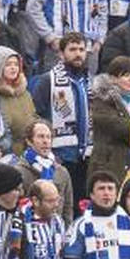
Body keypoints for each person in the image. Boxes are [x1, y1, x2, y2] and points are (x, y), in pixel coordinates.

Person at [31, 33, 94, 198]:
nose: (78, 53)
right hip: (60, 156)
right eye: (72, 49)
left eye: (81, 49)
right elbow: (35, 117)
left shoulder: (90, 82)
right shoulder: (48, 81)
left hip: (86, 155)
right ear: (61, 53)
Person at [6, 179, 69, 259]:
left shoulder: (58, 222)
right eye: (50, 201)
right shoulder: (19, 221)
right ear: (35, 201)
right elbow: (13, 257)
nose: (56, 205)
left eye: (57, 199)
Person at [12, 118, 76, 225]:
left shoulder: (61, 172)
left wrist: (67, 231)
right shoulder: (19, 172)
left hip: (56, 231)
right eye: (40, 137)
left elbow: (67, 208)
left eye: (48, 137)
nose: (45, 141)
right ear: (29, 141)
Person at [88, 61, 130, 186]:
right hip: (108, 162)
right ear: (113, 79)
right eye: (125, 75)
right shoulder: (101, 100)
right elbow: (120, 128)